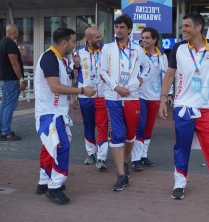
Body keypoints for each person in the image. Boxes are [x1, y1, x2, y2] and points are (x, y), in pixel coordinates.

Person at [159, 12, 209, 206]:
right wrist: (162, 100)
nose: (183, 29)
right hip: (183, 107)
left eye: (186, 26)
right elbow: (169, 76)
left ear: (199, 27)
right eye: (183, 26)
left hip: (208, 108)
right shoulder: (178, 48)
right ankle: (179, 183)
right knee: (181, 147)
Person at [34, 28, 96, 204]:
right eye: (73, 41)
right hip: (48, 113)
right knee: (61, 146)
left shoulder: (61, 59)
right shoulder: (49, 58)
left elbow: (68, 81)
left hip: (57, 112)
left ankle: (43, 182)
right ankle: (55, 186)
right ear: (64, 43)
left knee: (49, 146)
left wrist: (76, 67)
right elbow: (55, 87)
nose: (75, 45)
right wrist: (82, 91)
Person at [99, 14, 150, 191]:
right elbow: (102, 72)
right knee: (117, 135)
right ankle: (121, 175)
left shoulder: (137, 50)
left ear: (129, 30)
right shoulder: (107, 48)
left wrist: (139, 82)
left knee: (130, 136)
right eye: (116, 27)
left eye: (122, 27)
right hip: (113, 97)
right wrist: (115, 87)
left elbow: (147, 67)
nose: (118, 30)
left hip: (132, 97)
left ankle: (125, 161)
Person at [130, 27, 172, 171]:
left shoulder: (162, 56)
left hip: (155, 96)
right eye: (143, 38)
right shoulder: (138, 54)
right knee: (140, 126)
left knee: (148, 127)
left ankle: (143, 155)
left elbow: (167, 76)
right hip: (140, 95)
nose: (144, 40)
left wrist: (168, 95)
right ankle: (135, 159)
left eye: (147, 38)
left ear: (155, 39)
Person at [72, 27, 109, 169]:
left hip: (103, 94)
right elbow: (73, 76)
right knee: (88, 125)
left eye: (100, 36)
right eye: (97, 37)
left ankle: (101, 157)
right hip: (85, 95)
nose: (99, 40)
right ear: (89, 39)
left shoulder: (106, 51)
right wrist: (73, 96)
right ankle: (91, 153)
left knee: (102, 125)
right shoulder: (78, 53)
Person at [0, 23, 26, 141]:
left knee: (4, 104)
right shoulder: (10, 44)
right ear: (12, 31)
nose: (18, 32)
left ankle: (1, 129)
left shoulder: (1, 43)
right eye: (17, 30)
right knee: (9, 105)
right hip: (11, 80)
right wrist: (21, 79)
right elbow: (14, 63)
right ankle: (6, 133)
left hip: (3, 78)